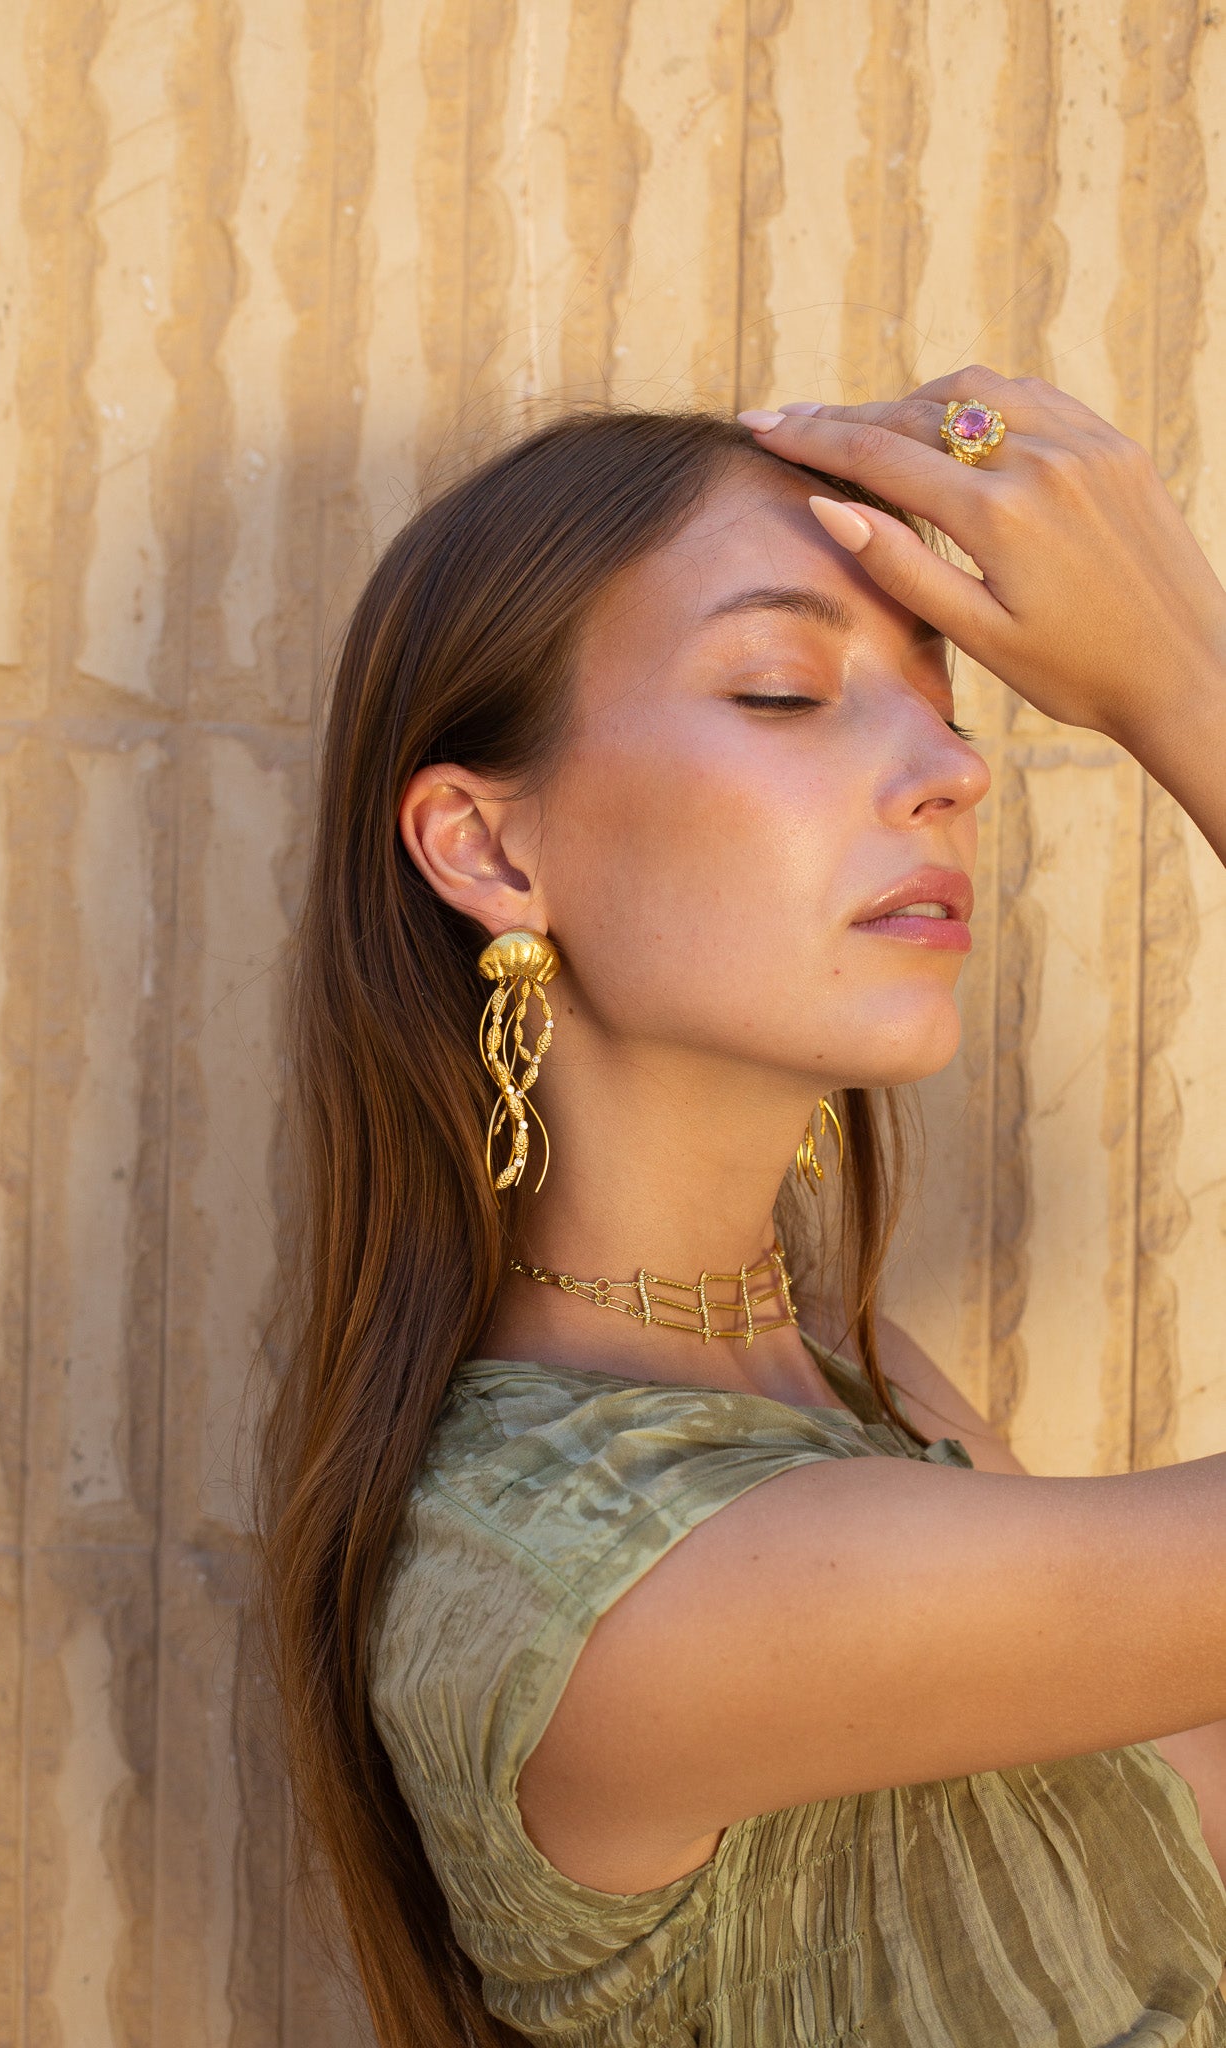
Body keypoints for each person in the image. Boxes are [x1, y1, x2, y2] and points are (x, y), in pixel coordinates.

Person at [256, 370, 1226, 2047]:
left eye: (943, 698)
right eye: (783, 690)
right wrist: (1187, 681)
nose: (949, 769)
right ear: (486, 850)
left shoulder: (847, 1379)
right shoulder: (610, 1588)